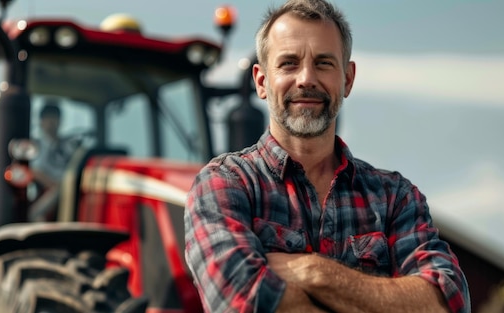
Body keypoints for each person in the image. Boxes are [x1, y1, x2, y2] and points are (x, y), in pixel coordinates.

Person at [183, 1, 470, 312]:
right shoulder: (224, 184)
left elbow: (447, 302)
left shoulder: (394, 199)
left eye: (323, 63)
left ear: (347, 79)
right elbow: (244, 301)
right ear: (261, 81)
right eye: (289, 63)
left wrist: (313, 272)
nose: (307, 78)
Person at [29, 99, 77, 221]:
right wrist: (54, 185)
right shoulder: (35, 146)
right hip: (50, 190)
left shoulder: (68, 146)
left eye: (55, 118)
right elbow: (34, 171)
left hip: (71, 186)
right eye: (48, 119)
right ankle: (36, 216)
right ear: (41, 122)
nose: (52, 122)